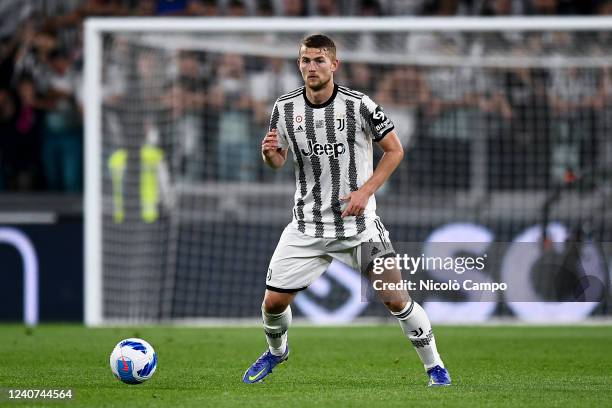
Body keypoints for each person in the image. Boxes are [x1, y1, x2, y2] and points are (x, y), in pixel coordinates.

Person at [242, 34, 451, 387]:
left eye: (319, 60)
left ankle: (436, 368)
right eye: (306, 60)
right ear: (299, 64)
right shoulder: (285, 107)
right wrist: (269, 155)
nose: (311, 67)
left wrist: (365, 192)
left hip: (359, 227)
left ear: (334, 65)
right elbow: (278, 162)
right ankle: (277, 352)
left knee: (396, 299)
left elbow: (395, 150)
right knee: (273, 304)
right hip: (307, 227)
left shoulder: (360, 105)